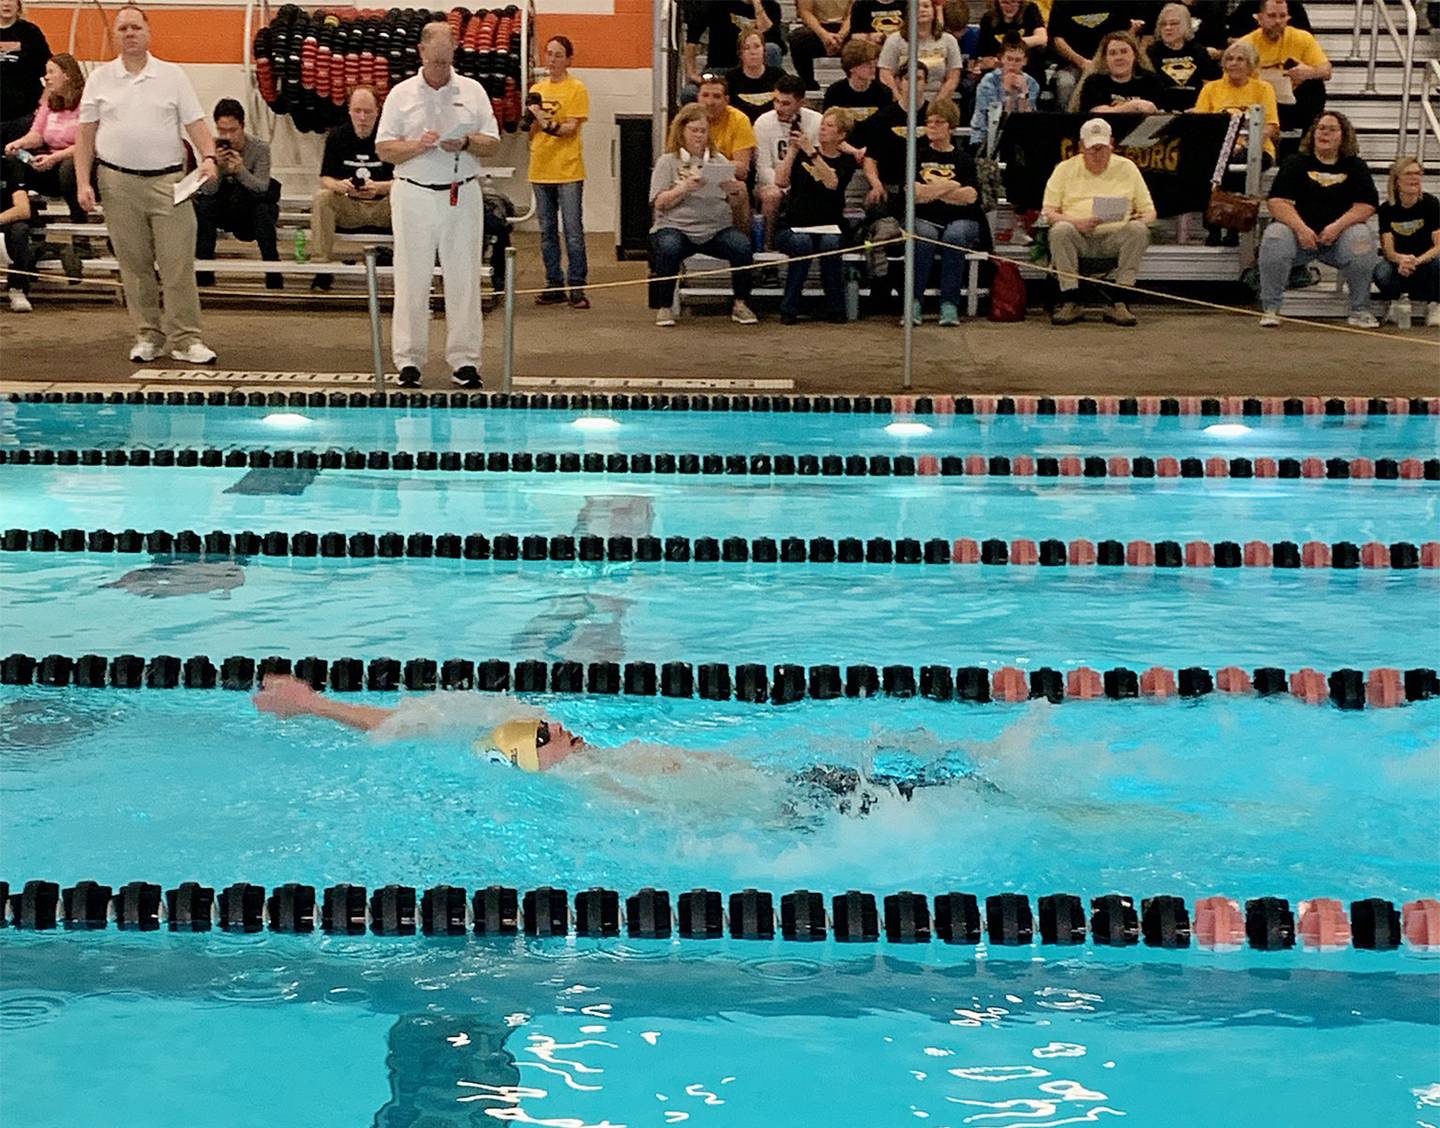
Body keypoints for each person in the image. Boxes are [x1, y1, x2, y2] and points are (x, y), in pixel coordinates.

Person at [74, 5, 218, 365]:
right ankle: (148, 335)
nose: (129, 33)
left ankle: (186, 339)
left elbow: (196, 123)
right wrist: (82, 182)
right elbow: (85, 135)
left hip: (169, 182)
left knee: (177, 264)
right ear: (115, 35)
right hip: (117, 183)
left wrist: (209, 157)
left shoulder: (173, 76)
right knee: (134, 266)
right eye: (122, 28)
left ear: (148, 32)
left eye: (136, 27)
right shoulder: (99, 80)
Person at [375, 20, 500, 390]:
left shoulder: (473, 91)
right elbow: (384, 147)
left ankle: (464, 361)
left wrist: (464, 143)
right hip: (413, 192)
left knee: (463, 278)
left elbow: (492, 142)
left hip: (460, 191)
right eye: (437, 62)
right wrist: (418, 145)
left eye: (448, 62)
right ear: (422, 53)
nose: (442, 70)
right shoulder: (401, 94)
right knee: (412, 278)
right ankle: (409, 361)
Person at [1258, 111, 1377, 328]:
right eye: (1321, 128)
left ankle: (1359, 310)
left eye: (1332, 129)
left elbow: (1366, 206)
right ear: (1313, 133)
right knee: (1274, 235)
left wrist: (1337, 227)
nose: (1325, 133)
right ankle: (1271, 308)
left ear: (1343, 136)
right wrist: (1301, 229)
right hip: (1299, 237)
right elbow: (1277, 202)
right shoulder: (1295, 162)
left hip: (1339, 239)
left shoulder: (1356, 166)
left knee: (1362, 237)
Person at [648, 103, 758, 327]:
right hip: (676, 226)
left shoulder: (719, 162)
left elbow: (734, 203)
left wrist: (733, 191)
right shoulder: (668, 161)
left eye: (703, 131)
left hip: (715, 229)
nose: (699, 135)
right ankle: (665, 306)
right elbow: (659, 203)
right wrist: (683, 188)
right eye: (694, 130)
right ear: (682, 131)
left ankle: (740, 303)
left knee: (742, 246)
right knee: (668, 247)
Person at [1041, 116, 1155, 327]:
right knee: (1060, 230)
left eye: (1102, 148)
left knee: (1139, 230)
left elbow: (1150, 211)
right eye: (1092, 149)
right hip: (1078, 237)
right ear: (1081, 147)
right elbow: (1048, 213)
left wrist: (1138, 219)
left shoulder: (1127, 168)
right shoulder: (1064, 169)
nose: (1098, 154)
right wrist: (1077, 222)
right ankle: (1071, 300)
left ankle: (1120, 301)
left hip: (1115, 237)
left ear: (1112, 145)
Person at [773, 105, 858, 324]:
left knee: (830, 243)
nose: (822, 129)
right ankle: (789, 308)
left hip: (830, 224)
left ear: (841, 135)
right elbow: (780, 181)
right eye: (822, 125)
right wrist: (793, 151)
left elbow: (832, 183)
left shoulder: (845, 161)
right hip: (795, 224)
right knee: (802, 244)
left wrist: (812, 153)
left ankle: (835, 308)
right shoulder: (802, 153)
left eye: (829, 126)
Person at [908, 96, 986, 326]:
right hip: (925, 218)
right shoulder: (917, 154)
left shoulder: (964, 159)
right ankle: (914, 302)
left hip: (962, 219)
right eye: (929, 122)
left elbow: (971, 196)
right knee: (924, 236)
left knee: (955, 236)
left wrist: (932, 190)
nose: (931, 126)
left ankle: (949, 304)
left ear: (950, 126)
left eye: (938, 122)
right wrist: (952, 186)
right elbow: (913, 194)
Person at [1192, 39, 1277, 244]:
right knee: (1212, 162)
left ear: (1251, 65)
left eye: (1240, 59)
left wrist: (1245, 145)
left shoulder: (1263, 89)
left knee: (1239, 163)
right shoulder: (1211, 89)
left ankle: (1232, 227)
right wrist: (1225, 147)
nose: (1234, 63)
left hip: (1256, 148)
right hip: (1219, 148)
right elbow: (1201, 124)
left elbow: (1271, 126)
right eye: (1229, 59)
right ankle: (1215, 228)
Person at [309, 85, 393, 293]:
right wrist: (339, 186)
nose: (362, 117)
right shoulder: (337, 137)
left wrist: (380, 187)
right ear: (349, 110)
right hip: (350, 207)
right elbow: (325, 178)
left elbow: (404, 180)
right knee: (323, 198)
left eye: (367, 111)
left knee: (407, 197)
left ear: (378, 111)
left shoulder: (389, 139)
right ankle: (321, 269)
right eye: (357, 111)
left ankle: (410, 268)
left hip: (383, 207)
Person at [193, 98, 282, 291]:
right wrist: (218, 167)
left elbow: (261, 187)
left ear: (242, 126)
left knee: (264, 211)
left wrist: (240, 170)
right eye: (222, 131)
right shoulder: (212, 149)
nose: (228, 136)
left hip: (250, 206)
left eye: (232, 130)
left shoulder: (259, 148)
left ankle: (274, 275)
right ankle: (204, 275)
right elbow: (208, 191)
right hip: (224, 205)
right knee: (205, 208)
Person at [528, 35, 590, 309]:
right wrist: (532, 119)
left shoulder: (576, 89)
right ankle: (554, 283)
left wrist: (544, 121)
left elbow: (569, 129)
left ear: (568, 59)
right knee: (547, 232)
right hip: (540, 168)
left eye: (558, 54)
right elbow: (530, 131)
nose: (551, 59)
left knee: (573, 231)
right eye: (549, 53)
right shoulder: (537, 88)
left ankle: (577, 286)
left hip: (567, 170)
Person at [860, 60, 927, 308]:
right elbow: (870, 159)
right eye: (909, 79)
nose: (914, 84)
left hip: (923, 196)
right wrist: (875, 184)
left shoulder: (933, 117)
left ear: (926, 83)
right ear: (898, 82)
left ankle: (914, 294)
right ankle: (880, 284)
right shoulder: (883, 118)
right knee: (880, 230)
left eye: (919, 79)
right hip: (889, 192)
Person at [3, 51, 84, 220]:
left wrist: (55, 158)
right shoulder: (49, 104)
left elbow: (87, 143)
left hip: (77, 163)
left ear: (67, 75)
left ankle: (79, 219)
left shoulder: (86, 103)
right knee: (12, 159)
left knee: (68, 167)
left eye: (51, 72)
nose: (46, 77)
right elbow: (37, 135)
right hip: (49, 162)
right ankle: (23, 212)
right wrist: (19, 144)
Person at [1239, 0, 1329, 134]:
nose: (1278, 21)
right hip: (1260, 102)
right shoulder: (1246, 44)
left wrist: (1309, 72)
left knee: (1315, 86)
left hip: (1293, 99)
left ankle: (1307, 141)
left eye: (1282, 16)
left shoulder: (1302, 37)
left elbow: (1326, 71)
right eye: (1272, 16)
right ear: (1259, 18)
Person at [754, 74, 822, 247]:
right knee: (772, 195)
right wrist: (783, 187)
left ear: (801, 103)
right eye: (776, 101)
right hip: (772, 183)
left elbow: (818, 162)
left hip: (806, 182)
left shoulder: (816, 121)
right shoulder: (763, 122)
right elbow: (763, 168)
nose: (778, 107)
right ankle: (767, 248)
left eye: (785, 103)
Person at [1374, 156, 1439, 328]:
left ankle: (1435, 304)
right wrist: (1401, 260)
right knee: (1381, 272)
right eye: (1409, 173)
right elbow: (1388, 250)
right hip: (1399, 265)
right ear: (1397, 181)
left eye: (1418, 173)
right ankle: (1396, 301)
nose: (1414, 178)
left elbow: (1439, 245)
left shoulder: (1431, 204)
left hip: (1426, 262)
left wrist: (1417, 260)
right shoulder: (1387, 209)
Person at [1046, 0, 1145, 111]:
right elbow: (1057, 40)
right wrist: (1082, 62)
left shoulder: (1116, 3)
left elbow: (1122, 36)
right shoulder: (1062, 3)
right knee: (1065, 84)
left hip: (1109, 63)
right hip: (1072, 65)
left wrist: (1104, 62)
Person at [879, 0, 963, 102]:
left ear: (934, 12)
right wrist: (901, 102)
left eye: (926, 6)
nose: (922, 10)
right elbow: (885, 75)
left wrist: (935, 105)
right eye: (917, 7)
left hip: (938, 100)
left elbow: (953, 78)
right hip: (903, 99)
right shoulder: (894, 40)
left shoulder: (949, 40)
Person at [969, 33, 1039, 152]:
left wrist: (1023, 93)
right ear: (1001, 59)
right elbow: (994, 119)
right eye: (1009, 59)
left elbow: (1027, 120)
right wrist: (1007, 92)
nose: (1012, 64)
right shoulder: (988, 81)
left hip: (1017, 138)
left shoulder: (1031, 83)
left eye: (1018, 60)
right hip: (984, 136)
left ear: (1025, 61)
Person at [1146, 3, 1218, 111]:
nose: (1168, 28)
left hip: (1195, 109)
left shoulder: (1198, 51)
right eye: (1163, 24)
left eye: (1174, 23)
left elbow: (1211, 83)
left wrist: (1201, 107)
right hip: (1162, 111)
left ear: (1186, 25)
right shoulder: (1152, 52)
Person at [1071, 30, 1162, 114]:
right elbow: (1094, 112)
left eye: (1124, 51)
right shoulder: (1094, 81)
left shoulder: (1150, 80)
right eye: (1112, 53)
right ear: (1105, 58)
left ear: (1134, 55)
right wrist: (1133, 106)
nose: (1119, 57)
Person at [0, 0, 49, 147]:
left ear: (19, 5)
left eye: (11, 0)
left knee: (18, 163)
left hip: (23, 116)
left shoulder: (31, 33)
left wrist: (43, 103)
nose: (6, 4)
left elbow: (52, 71)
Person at [695, 73, 757, 184]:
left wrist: (706, 168)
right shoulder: (685, 119)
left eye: (717, 96)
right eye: (705, 95)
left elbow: (742, 169)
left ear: (727, 100)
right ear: (697, 97)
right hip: (689, 180)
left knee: (740, 187)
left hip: (726, 182)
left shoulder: (739, 120)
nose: (710, 102)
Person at [823, 36, 893, 130]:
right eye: (867, 64)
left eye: (874, 63)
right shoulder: (835, 92)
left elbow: (886, 126)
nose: (873, 68)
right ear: (852, 67)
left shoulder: (884, 92)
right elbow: (829, 126)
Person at [973, 0, 1047, 79]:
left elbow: (1042, 38)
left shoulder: (1030, 9)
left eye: (1014, 2)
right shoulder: (988, 19)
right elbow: (982, 54)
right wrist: (987, 63)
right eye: (1005, 2)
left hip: (1028, 68)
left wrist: (1012, 45)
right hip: (999, 70)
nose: (1010, 6)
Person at [789, 0, 854, 90]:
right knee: (798, 38)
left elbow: (854, 12)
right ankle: (808, 83)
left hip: (847, 29)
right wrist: (824, 36)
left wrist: (840, 36)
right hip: (817, 27)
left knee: (863, 39)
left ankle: (856, 81)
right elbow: (805, 12)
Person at [726, 28, 785, 122]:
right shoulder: (730, 78)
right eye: (746, 48)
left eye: (757, 46)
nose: (753, 52)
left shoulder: (779, 76)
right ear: (740, 54)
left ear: (764, 51)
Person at [2, 153, 33, 311]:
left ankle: (17, 289)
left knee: (20, 230)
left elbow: (23, 209)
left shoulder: (10, 166)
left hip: (5, 221)